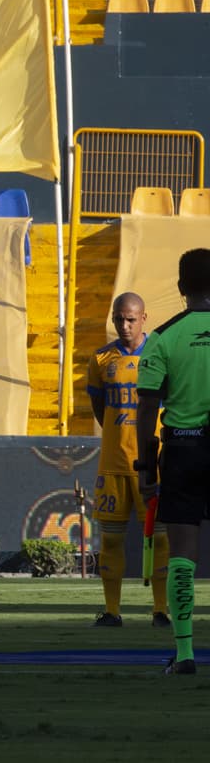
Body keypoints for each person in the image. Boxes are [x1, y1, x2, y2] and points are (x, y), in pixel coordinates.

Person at [137, 248, 210, 675]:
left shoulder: (163, 338)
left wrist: (147, 468)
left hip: (183, 450)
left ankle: (184, 654)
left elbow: (146, 412)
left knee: (182, 555)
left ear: (181, 289)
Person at [87, 292, 170, 627]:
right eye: (118, 318)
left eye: (131, 319)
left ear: (144, 319)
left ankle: (161, 610)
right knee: (110, 538)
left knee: (161, 537)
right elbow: (99, 409)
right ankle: (112, 611)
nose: (124, 325)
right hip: (113, 463)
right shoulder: (100, 360)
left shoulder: (161, 355)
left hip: (153, 464)